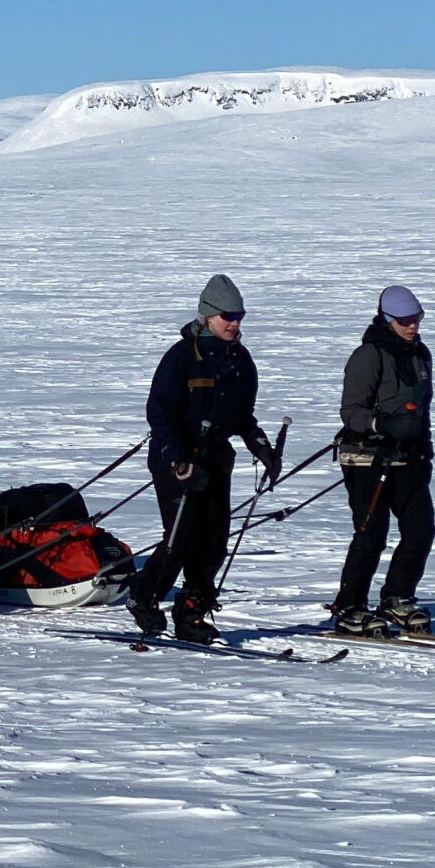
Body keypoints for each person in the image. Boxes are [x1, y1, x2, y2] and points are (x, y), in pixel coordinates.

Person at [131, 274, 281, 644]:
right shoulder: (182, 357)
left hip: (216, 458)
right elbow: (160, 412)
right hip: (177, 459)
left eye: (239, 316)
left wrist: (260, 446)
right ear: (207, 315)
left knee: (214, 540)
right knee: (181, 537)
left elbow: (242, 415)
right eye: (228, 316)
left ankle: (193, 610)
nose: (235, 323)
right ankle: (144, 597)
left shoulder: (240, 360)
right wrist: (179, 460)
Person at [332, 285, 435, 634]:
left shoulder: (421, 355)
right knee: (371, 533)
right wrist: (382, 423)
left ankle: (397, 598)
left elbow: (423, 411)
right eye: (405, 321)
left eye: (417, 319)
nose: (412, 327)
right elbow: (351, 412)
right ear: (388, 319)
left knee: (421, 529)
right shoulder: (368, 356)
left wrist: (424, 447)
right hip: (366, 458)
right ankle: (350, 606)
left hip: (408, 458)